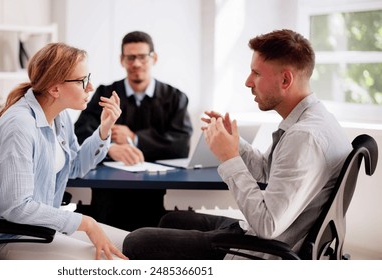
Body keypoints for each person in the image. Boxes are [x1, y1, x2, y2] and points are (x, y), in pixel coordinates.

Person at [122, 29, 352, 259]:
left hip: (262, 251)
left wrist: (229, 157)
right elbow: (266, 171)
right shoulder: (314, 120)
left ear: (285, 79)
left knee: (136, 241)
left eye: (256, 73)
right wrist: (234, 142)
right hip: (263, 233)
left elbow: (266, 225)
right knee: (171, 219)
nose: (248, 82)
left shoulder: (304, 137)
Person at [0, 42, 129, 260]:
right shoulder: (19, 126)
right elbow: (16, 207)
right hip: (12, 235)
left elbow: (75, 166)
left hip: (41, 229)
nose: (90, 87)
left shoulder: (59, 117)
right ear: (54, 89)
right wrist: (85, 223)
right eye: (82, 81)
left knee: (131, 245)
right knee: (113, 263)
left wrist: (104, 129)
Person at [74, 31, 193, 231]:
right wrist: (108, 147)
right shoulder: (105, 93)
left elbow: (181, 144)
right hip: (109, 190)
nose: (136, 63)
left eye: (142, 57)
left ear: (153, 58)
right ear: (122, 60)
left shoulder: (175, 97)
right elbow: (80, 134)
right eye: (130, 57)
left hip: (156, 191)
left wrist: (135, 139)